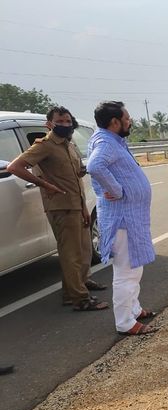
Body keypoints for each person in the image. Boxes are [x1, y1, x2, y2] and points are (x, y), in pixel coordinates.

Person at [6, 106, 109, 311]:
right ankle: (78, 298)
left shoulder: (68, 145)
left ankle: (82, 282)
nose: (64, 125)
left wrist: (84, 207)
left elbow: (77, 174)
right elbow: (14, 167)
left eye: (67, 121)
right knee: (70, 253)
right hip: (61, 207)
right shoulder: (44, 146)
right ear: (49, 124)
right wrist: (46, 185)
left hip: (76, 204)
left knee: (84, 248)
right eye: (59, 122)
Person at [87, 101, 157, 336]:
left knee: (133, 268)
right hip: (122, 219)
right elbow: (95, 166)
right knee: (126, 272)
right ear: (114, 122)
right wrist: (116, 190)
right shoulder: (106, 142)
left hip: (130, 217)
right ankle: (125, 322)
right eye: (126, 118)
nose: (130, 121)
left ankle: (134, 309)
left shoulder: (114, 140)